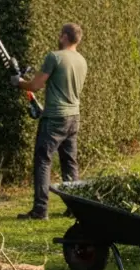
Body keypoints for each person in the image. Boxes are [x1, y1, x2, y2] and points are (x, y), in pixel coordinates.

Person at [14, 23, 87, 220]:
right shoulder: (82, 60)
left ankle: (40, 210)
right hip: (74, 117)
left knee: (43, 161)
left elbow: (36, 85)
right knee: (69, 162)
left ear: (64, 36)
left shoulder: (54, 57)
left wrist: (19, 83)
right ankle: (75, 207)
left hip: (55, 117)